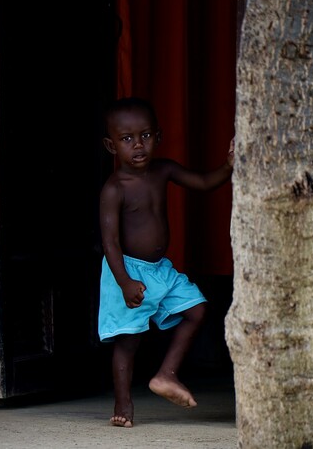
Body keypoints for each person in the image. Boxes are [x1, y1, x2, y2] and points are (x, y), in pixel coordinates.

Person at [98, 96, 234, 428]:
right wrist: (124, 281)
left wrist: (230, 165)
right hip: (127, 271)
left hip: (161, 270)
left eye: (145, 135)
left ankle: (166, 374)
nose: (138, 145)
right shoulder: (115, 188)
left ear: (158, 137)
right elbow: (110, 242)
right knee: (128, 340)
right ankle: (123, 404)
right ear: (111, 145)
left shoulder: (164, 169)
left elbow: (203, 183)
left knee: (197, 310)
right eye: (127, 139)